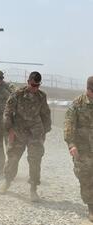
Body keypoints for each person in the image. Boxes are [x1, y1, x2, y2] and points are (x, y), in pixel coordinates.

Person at [0, 71, 51, 202]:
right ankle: (7, 182)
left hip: (35, 133)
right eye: (33, 85)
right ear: (28, 82)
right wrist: (9, 129)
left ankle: (33, 189)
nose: (35, 88)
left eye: (38, 85)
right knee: (13, 158)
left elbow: (46, 114)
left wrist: (44, 132)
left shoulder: (41, 96)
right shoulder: (17, 94)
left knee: (35, 161)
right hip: (18, 132)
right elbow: (7, 112)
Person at [64, 76, 93, 221]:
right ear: (88, 89)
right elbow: (69, 124)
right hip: (83, 148)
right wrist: (71, 144)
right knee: (86, 177)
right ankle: (91, 207)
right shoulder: (77, 104)